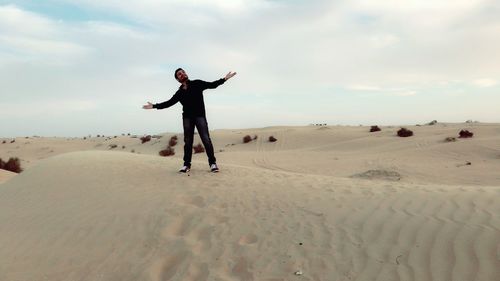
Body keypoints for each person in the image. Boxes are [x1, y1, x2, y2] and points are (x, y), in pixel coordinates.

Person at [143, 68, 237, 173]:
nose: (182, 74)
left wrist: (224, 79)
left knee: (206, 139)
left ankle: (212, 163)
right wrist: (154, 106)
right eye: (179, 74)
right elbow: (168, 103)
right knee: (188, 142)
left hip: (200, 116)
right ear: (177, 79)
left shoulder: (197, 83)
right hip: (187, 118)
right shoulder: (179, 93)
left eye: (183, 72)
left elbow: (212, 85)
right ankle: (186, 165)